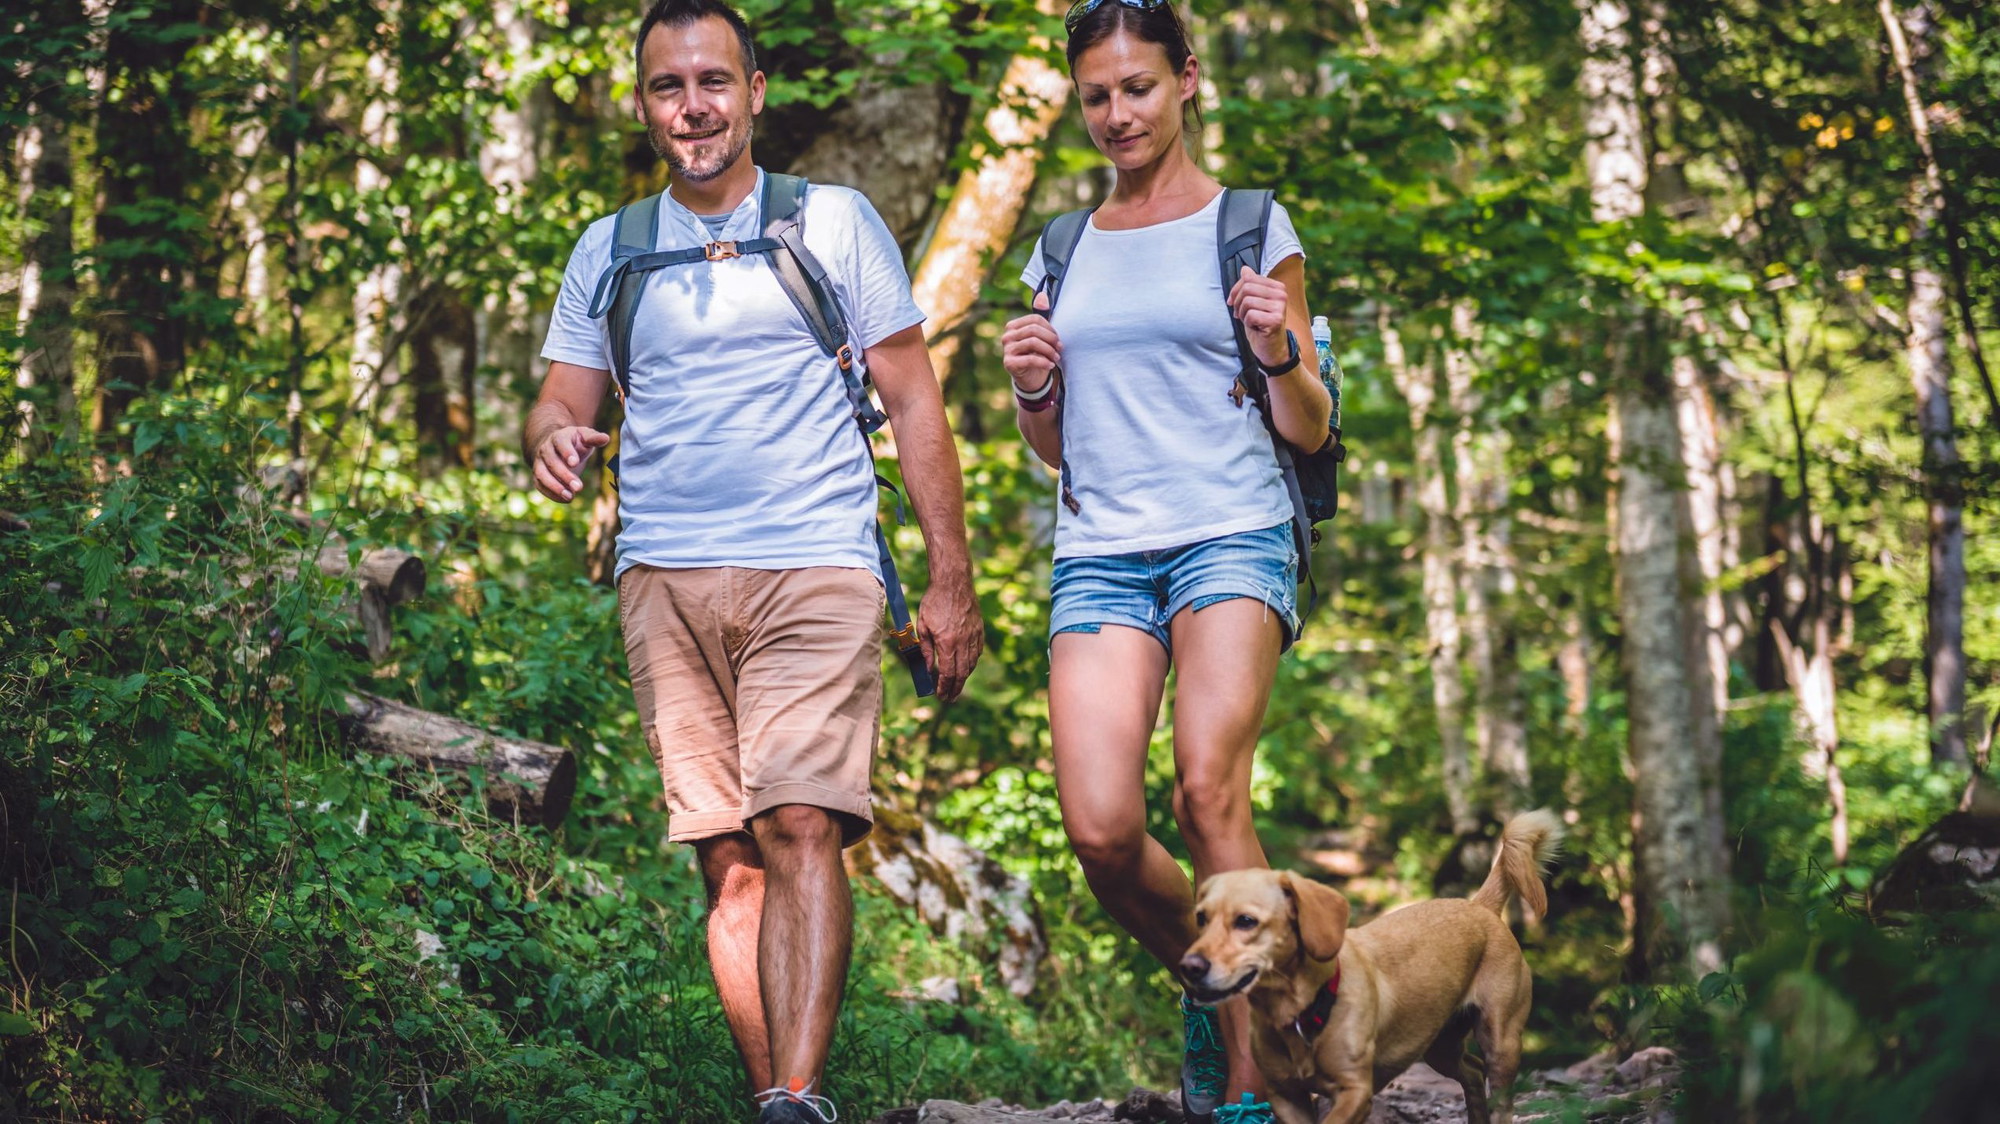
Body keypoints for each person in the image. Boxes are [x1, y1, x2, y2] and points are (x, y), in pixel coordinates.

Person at [523, 1, 984, 1119]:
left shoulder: (830, 221)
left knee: (798, 821)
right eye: (669, 87)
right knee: (725, 855)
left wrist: (947, 577)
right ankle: (775, 1099)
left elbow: (913, 396)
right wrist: (551, 437)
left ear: (755, 90)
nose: (693, 106)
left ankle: (798, 1089)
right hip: (664, 576)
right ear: (643, 105)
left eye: (713, 82)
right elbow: (559, 396)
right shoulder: (612, 246)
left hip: (812, 560)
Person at [999, 1, 1331, 1121]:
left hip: (1228, 529)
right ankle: (1212, 978)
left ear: (1186, 81)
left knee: (1204, 787)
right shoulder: (1064, 246)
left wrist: (1281, 348)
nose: (1115, 114)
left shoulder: (1249, 222)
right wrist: (1032, 382)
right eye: (1095, 95)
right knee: (1097, 826)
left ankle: (1250, 1083)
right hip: (1099, 545)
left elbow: (1310, 426)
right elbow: (1050, 441)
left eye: (1136, 87)